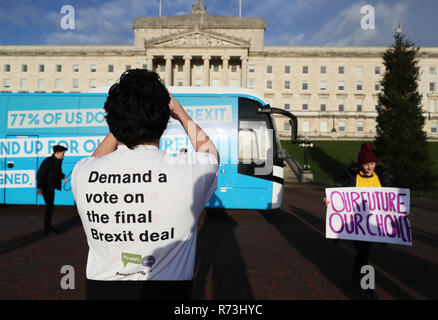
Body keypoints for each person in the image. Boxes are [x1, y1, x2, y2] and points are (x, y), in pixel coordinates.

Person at [71, 69, 219, 300]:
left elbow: (95, 160)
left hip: (102, 289)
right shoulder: (190, 171)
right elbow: (210, 153)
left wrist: (123, 121)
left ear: (112, 120)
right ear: (164, 121)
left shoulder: (81, 172)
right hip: (169, 291)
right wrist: (181, 114)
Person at [323, 143, 389, 298]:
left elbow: (389, 204)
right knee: (364, 254)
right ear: (361, 165)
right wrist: (330, 202)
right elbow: (342, 200)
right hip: (356, 224)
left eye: (372, 164)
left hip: (373, 224)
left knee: (362, 254)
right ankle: (368, 287)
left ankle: (354, 275)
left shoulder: (379, 179)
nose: (370, 167)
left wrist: (402, 214)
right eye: (366, 164)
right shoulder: (353, 179)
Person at [36, 145, 69, 236]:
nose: (63, 155)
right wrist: (39, 188)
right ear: (57, 153)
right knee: (49, 208)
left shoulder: (57, 161)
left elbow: (58, 172)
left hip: (51, 187)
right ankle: (47, 229)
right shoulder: (48, 161)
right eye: (62, 153)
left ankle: (49, 227)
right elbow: (40, 174)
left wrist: (63, 177)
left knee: (50, 207)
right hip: (46, 187)